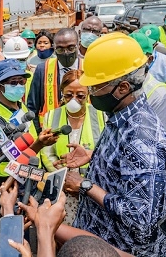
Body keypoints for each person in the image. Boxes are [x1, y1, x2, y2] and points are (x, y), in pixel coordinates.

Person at [63, 32, 166, 257]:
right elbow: (127, 168)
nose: (91, 93)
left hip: (121, 249)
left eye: (95, 87)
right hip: (100, 241)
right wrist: (95, 156)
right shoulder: (122, 115)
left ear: (123, 88)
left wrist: (85, 186)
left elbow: (140, 220)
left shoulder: (142, 139)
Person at [40, 69, 106, 224]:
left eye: (80, 96)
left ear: (88, 93)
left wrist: (84, 184)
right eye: (68, 95)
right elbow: (47, 153)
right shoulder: (52, 115)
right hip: (63, 186)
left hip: (92, 186)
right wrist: (64, 180)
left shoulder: (101, 114)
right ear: (62, 93)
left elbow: (104, 150)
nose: (74, 100)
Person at [0, 60, 60, 180]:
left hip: (31, 168)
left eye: (21, 82)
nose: (18, 86)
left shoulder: (20, 105)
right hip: (10, 178)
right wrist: (40, 143)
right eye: (13, 83)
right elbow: (11, 154)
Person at [28, 28, 81, 128]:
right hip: (51, 131)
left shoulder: (87, 68)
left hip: (82, 129)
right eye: (60, 49)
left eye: (71, 48)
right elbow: (33, 107)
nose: (66, 53)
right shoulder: (43, 69)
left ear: (78, 45)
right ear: (54, 48)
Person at [127, 30, 166, 136]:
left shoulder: (160, 96)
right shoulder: (118, 86)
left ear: (150, 59)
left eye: (135, 60)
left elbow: (161, 142)